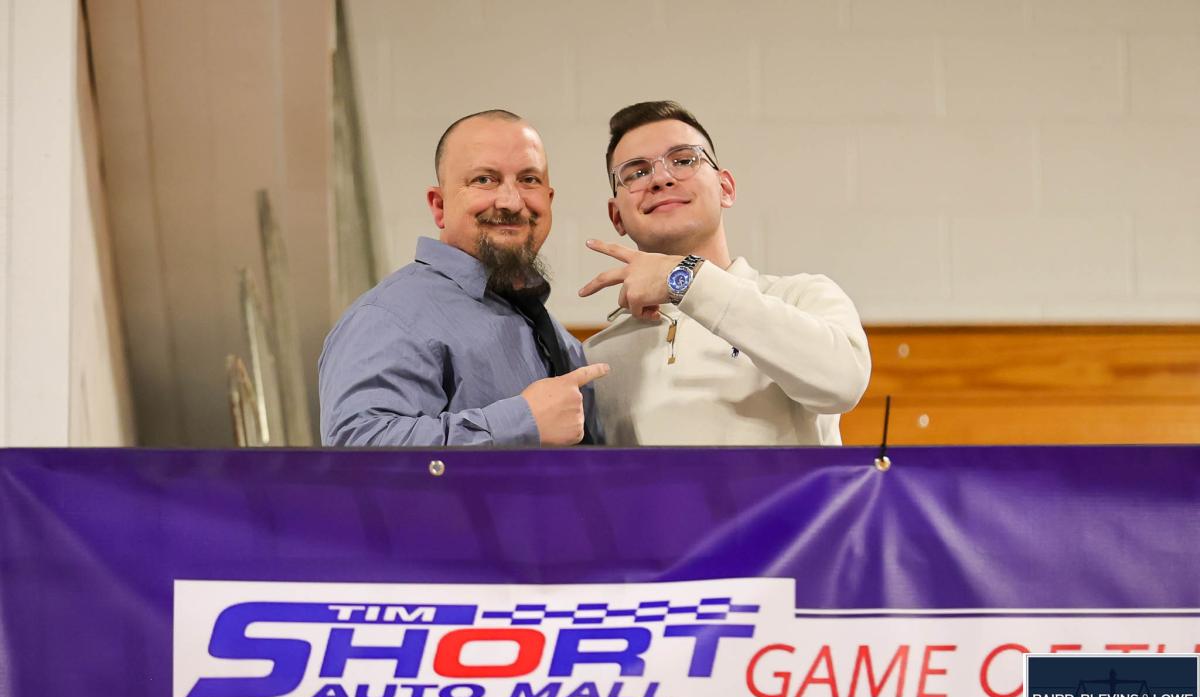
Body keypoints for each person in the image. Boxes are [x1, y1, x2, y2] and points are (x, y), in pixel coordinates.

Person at [579, 101, 870, 446]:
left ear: (726, 189)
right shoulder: (596, 358)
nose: (660, 178)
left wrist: (684, 278)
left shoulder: (804, 297)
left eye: (683, 160)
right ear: (617, 217)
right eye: (637, 172)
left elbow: (844, 383)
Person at [319, 109, 606, 447]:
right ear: (439, 206)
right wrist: (521, 421)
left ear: (549, 199)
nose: (511, 201)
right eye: (484, 180)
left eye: (529, 180)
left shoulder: (548, 332)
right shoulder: (388, 318)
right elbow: (358, 450)